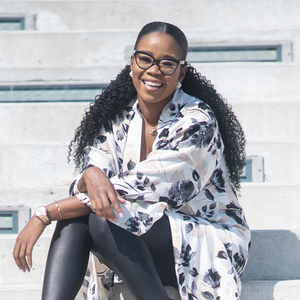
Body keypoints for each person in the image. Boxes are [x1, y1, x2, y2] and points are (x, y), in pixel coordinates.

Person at [13, 21, 251, 300]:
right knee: (78, 219)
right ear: (132, 62)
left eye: (167, 63)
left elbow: (140, 189)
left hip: (205, 240)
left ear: (181, 71)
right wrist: (89, 174)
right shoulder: (119, 117)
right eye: (145, 59)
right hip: (137, 234)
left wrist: (45, 213)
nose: (153, 70)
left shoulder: (197, 121)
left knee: (103, 217)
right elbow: (94, 185)